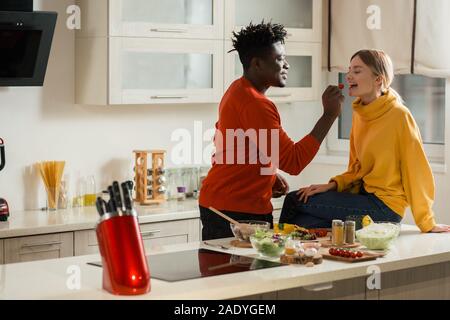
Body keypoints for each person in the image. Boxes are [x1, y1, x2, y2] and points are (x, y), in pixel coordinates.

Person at [198, 21, 344, 240]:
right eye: (279, 59)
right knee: (251, 273)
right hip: (236, 212)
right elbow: (293, 162)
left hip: (222, 204)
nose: (287, 65)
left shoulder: (237, 90)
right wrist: (329, 116)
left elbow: (234, 146)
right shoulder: (256, 104)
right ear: (257, 64)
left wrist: (268, 174)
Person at [279, 49, 450, 233]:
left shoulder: (399, 116)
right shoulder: (360, 115)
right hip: (364, 198)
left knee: (293, 200)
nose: (349, 76)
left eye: (357, 71)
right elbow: (356, 169)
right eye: (349, 70)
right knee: (302, 223)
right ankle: (301, 249)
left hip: (385, 208)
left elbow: (416, 169)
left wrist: (427, 221)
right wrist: (333, 185)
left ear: (379, 79)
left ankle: (271, 251)